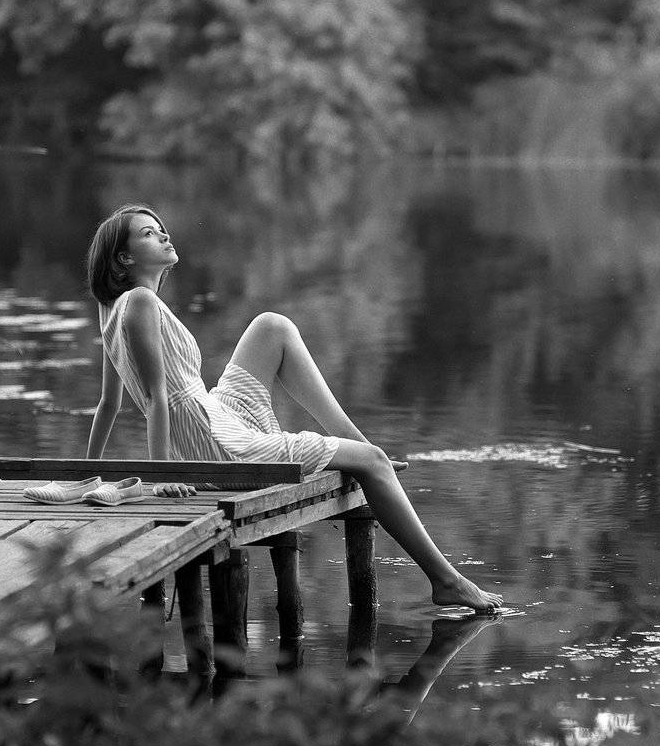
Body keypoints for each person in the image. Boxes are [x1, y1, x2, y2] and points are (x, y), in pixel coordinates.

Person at [83, 204, 503, 613]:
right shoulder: (141, 300)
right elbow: (156, 397)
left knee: (272, 326)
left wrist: (86, 476)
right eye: (148, 234)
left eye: (160, 228)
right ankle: (445, 581)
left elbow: (108, 404)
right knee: (373, 464)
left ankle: (357, 442)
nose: (163, 235)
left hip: (213, 415)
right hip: (215, 445)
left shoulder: (112, 308)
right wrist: (163, 478)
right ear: (124, 258)